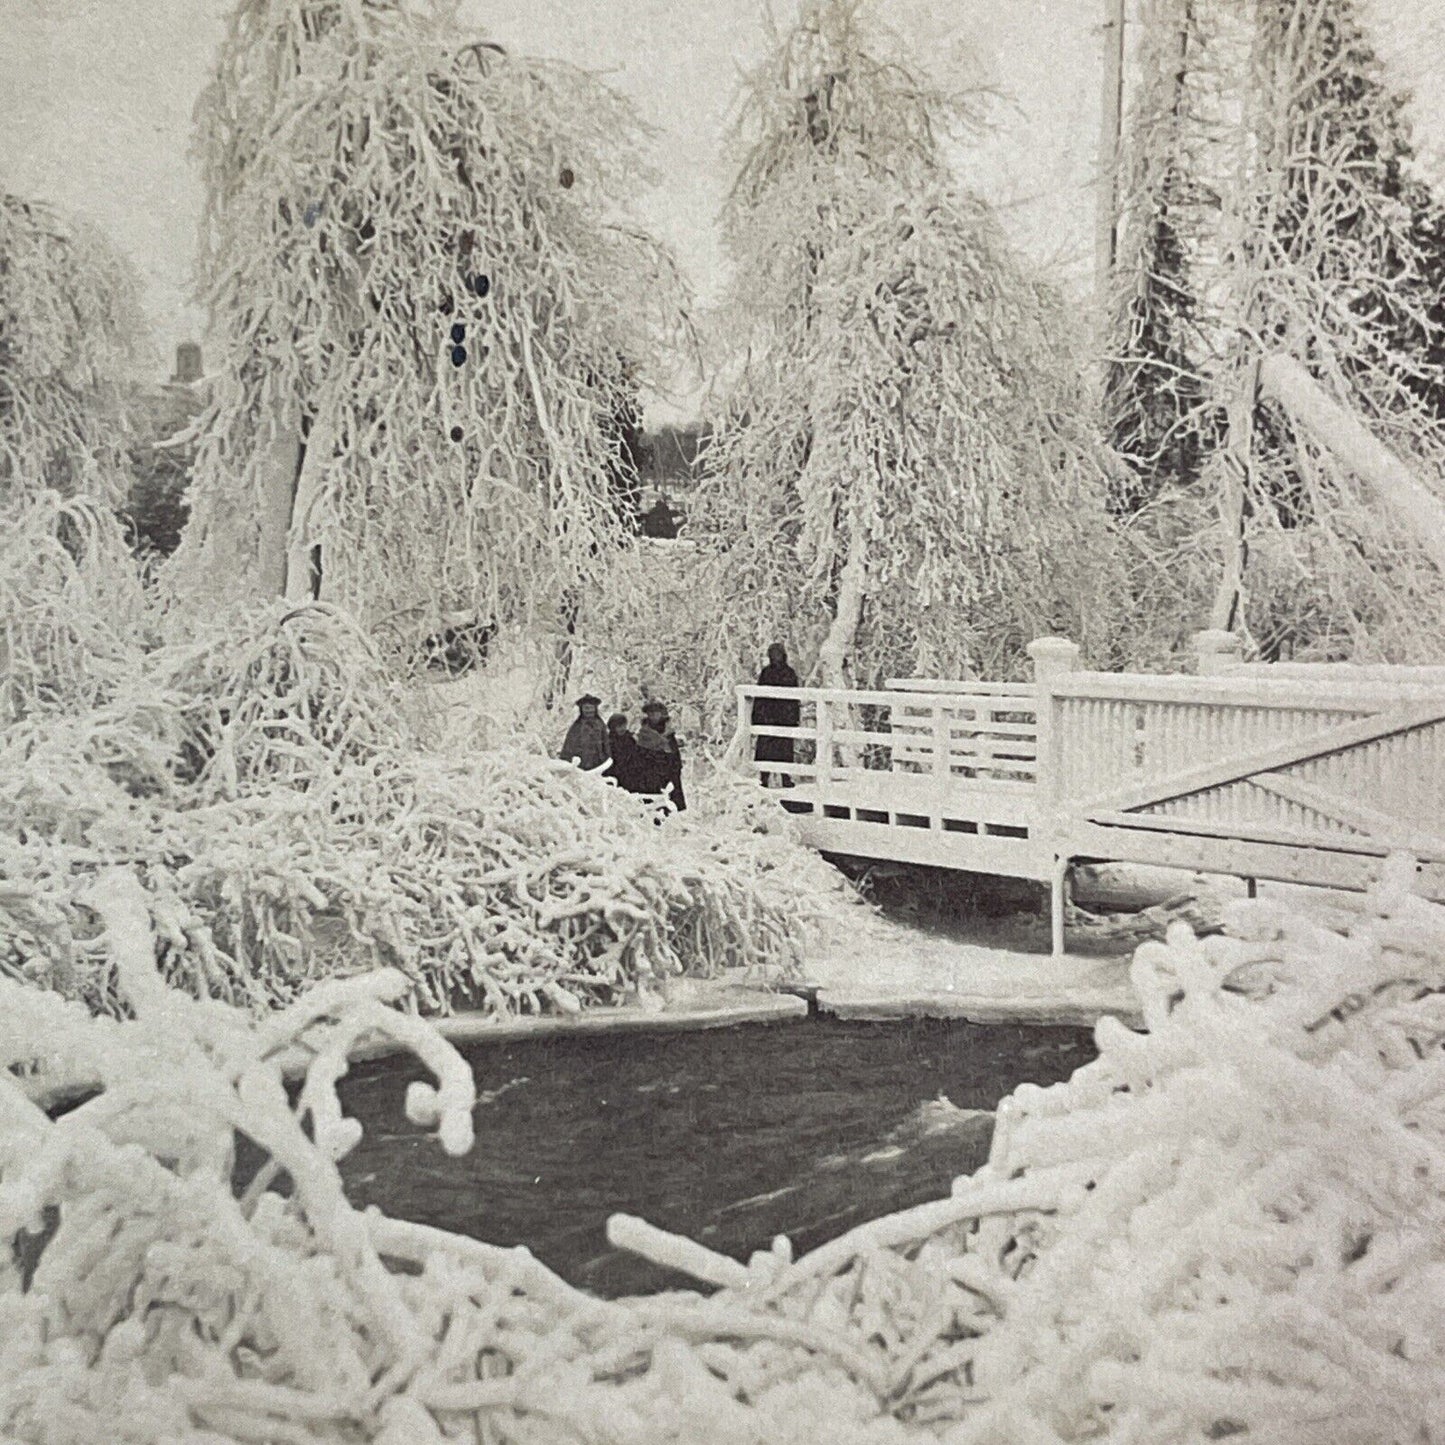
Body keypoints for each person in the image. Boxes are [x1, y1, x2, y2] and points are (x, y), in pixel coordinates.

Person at [752, 642, 800, 787]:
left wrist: (794, 718)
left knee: (784, 749)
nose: (775, 657)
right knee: (765, 749)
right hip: (768, 718)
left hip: (784, 718)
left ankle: (785, 777)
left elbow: (794, 698)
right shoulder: (766, 673)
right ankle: (764, 778)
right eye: (773, 654)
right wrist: (757, 717)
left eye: (778, 654)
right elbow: (759, 697)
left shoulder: (789, 673)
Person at [635, 699, 686, 810]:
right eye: (650, 713)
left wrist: (676, 767)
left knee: (673, 798)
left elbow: (675, 753)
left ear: (661, 714)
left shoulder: (669, 733)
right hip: (651, 772)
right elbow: (640, 755)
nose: (653, 715)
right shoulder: (644, 734)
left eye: (656, 712)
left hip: (669, 770)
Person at [560, 694, 609, 771]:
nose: (589, 710)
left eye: (591, 708)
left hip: (598, 764)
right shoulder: (577, 726)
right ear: (581, 709)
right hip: (581, 765)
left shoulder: (600, 724)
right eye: (586, 708)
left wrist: (607, 760)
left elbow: (606, 744)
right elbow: (569, 746)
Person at [606, 712, 641, 792]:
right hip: (616, 774)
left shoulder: (631, 738)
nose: (622, 728)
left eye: (624, 725)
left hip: (632, 774)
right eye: (619, 726)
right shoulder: (609, 742)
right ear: (613, 728)